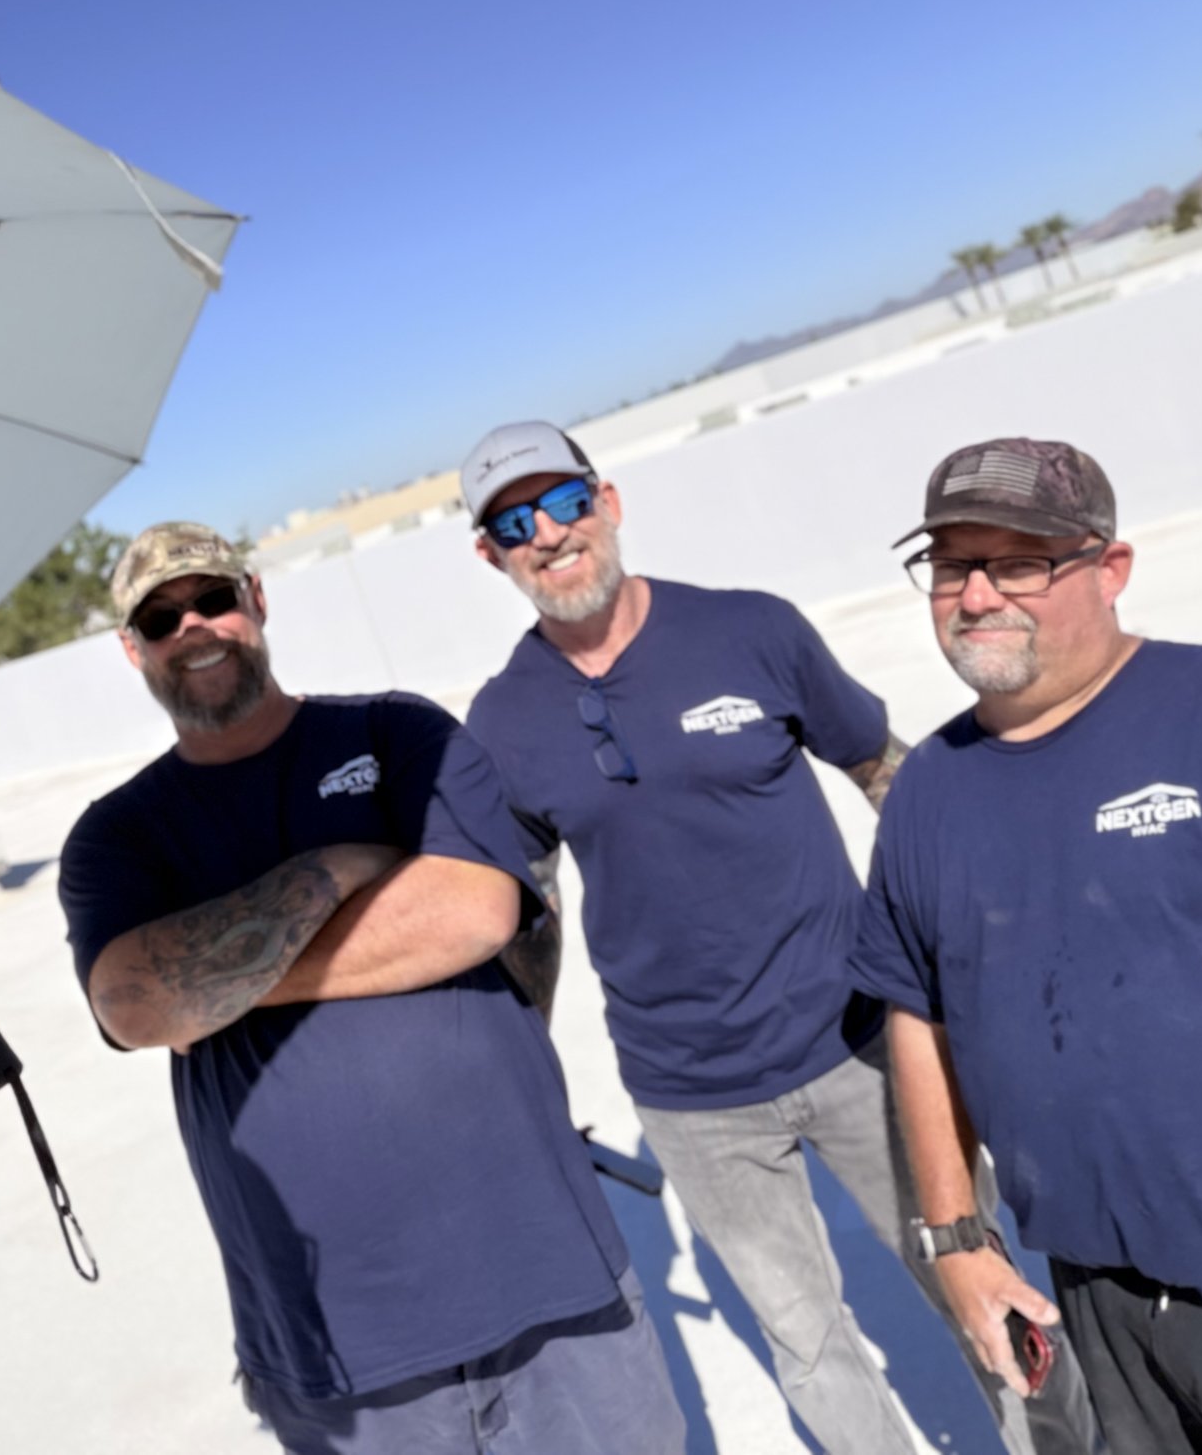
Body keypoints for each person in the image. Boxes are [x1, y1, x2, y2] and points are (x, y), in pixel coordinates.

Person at [457, 420, 1093, 1455]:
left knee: (980, 1284)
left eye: (564, 502)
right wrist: (515, 1077)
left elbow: (881, 768)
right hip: (687, 1093)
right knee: (806, 1342)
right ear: (490, 553)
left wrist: (985, 927)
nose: (549, 534)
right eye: (514, 521)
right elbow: (530, 915)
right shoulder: (501, 720)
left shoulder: (749, 630)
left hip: (859, 1043)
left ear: (606, 502)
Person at [57, 522, 687, 1455]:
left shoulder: (394, 732)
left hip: (544, 1271)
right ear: (132, 647)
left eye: (215, 598)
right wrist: (341, 863)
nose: (194, 625)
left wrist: (221, 985)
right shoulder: (117, 836)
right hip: (344, 1347)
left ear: (257, 600)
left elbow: (476, 911)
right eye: (161, 614)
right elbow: (135, 1004)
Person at [854, 437, 1202, 1454]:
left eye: (1018, 561)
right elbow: (916, 1010)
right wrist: (955, 1239)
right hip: (1090, 1300)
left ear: (1109, 570)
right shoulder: (928, 792)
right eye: (950, 565)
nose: (976, 594)